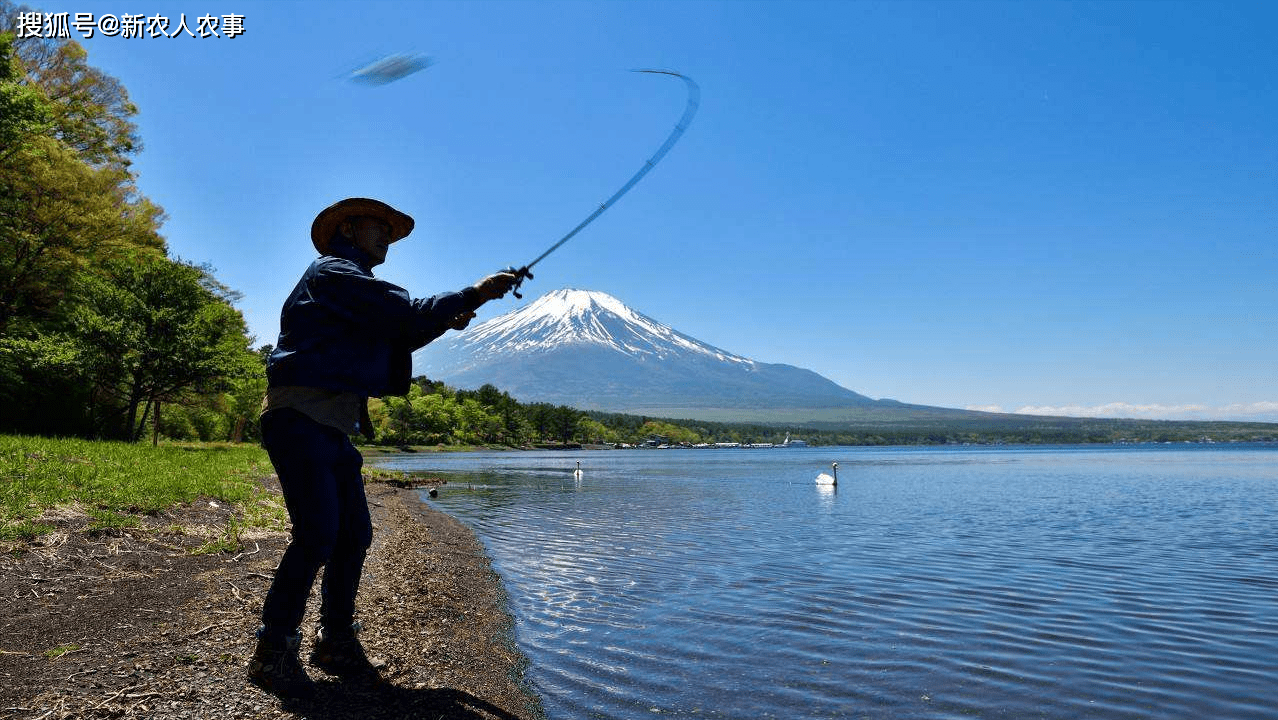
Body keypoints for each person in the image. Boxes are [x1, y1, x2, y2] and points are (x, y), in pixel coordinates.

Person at [247, 198, 518, 698]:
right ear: (349, 228)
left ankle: (335, 642)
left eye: (392, 232)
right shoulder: (334, 272)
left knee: (353, 535)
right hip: (300, 416)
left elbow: (401, 331)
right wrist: (475, 292)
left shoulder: (349, 286)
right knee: (317, 535)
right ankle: (273, 650)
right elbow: (405, 316)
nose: (388, 238)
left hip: (330, 424)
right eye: (381, 228)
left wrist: (461, 306)